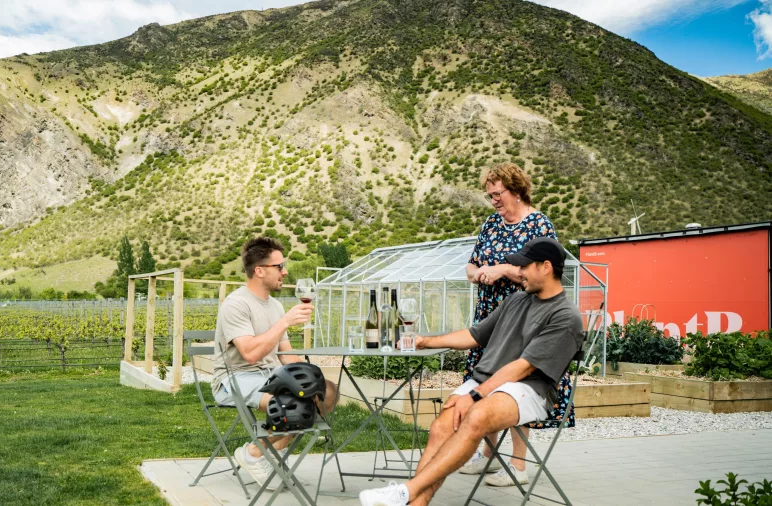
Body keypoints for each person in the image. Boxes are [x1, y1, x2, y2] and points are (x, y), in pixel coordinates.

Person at [359, 237, 584, 506]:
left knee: (475, 416)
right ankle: (413, 502)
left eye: (525, 266)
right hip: (488, 381)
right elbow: (475, 335)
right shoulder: (516, 300)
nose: (519, 272)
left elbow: (523, 367)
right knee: (442, 426)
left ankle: (407, 490)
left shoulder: (565, 315)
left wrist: (475, 395)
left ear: (546, 267)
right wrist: (425, 341)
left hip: (529, 389)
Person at [462, 162, 574, 487]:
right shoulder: (490, 225)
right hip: (490, 315)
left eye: (498, 194)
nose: (494, 200)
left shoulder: (539, 225)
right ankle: (487, 456)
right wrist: (478, 273)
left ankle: (518, 465)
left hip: (525, 317)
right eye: (490, 195)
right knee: (488, 382)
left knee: (515, 387)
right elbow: (470, 265)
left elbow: (546, 273)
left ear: (516, 190)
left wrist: (501, 270)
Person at [212, 236, 339, 486]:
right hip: (236, 378)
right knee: (296, 408)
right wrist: (284, 323)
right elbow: (249, 353)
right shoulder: (235, 304)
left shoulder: (276, 306)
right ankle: (253, 454)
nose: (285, 271)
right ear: (259, 271)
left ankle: (275, 451)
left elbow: (286, 354)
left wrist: (310, 379)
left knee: (327, 393)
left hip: (270, 375)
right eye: (279, 266)